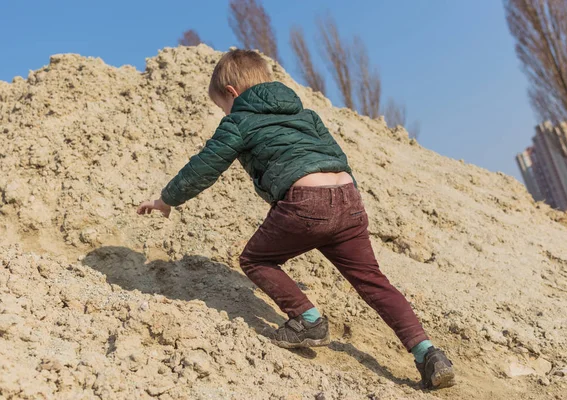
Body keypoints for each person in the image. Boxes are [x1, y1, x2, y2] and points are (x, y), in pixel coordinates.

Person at [137, 49, 455, 389]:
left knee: (256, 259)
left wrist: (166, 199)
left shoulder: (238, 121)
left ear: (231, 94)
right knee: (373, 281)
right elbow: (338, 156)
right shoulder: (306, 114)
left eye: (221, 107)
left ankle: (309, 320)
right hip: (348, 198)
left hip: (306, 203)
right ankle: (428, 354)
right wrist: (347, 203)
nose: (223, 114)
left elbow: (205, 166)